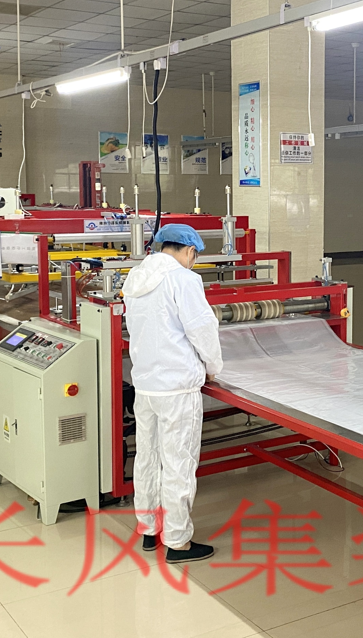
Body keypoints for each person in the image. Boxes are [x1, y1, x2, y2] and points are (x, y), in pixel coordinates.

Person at [122, 223, 222, 564]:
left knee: (148, 457)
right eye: (195, 256)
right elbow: (202, 328)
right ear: (190, 251)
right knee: (178, 461)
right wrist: (213, 366)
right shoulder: (184, 279)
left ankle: (150, 529)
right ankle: (178, 542)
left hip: (146, 384)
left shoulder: (136, 277)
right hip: (177, 387)